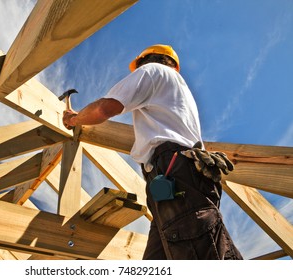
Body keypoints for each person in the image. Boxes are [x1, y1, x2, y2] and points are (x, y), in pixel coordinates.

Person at [62, 44, 243, 260]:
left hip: (174, 173)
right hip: (178, 178)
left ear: (144, 61)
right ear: (174, 65)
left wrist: (74, 119)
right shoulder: (177, 91)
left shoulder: (152, 71)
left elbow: (104, 108)